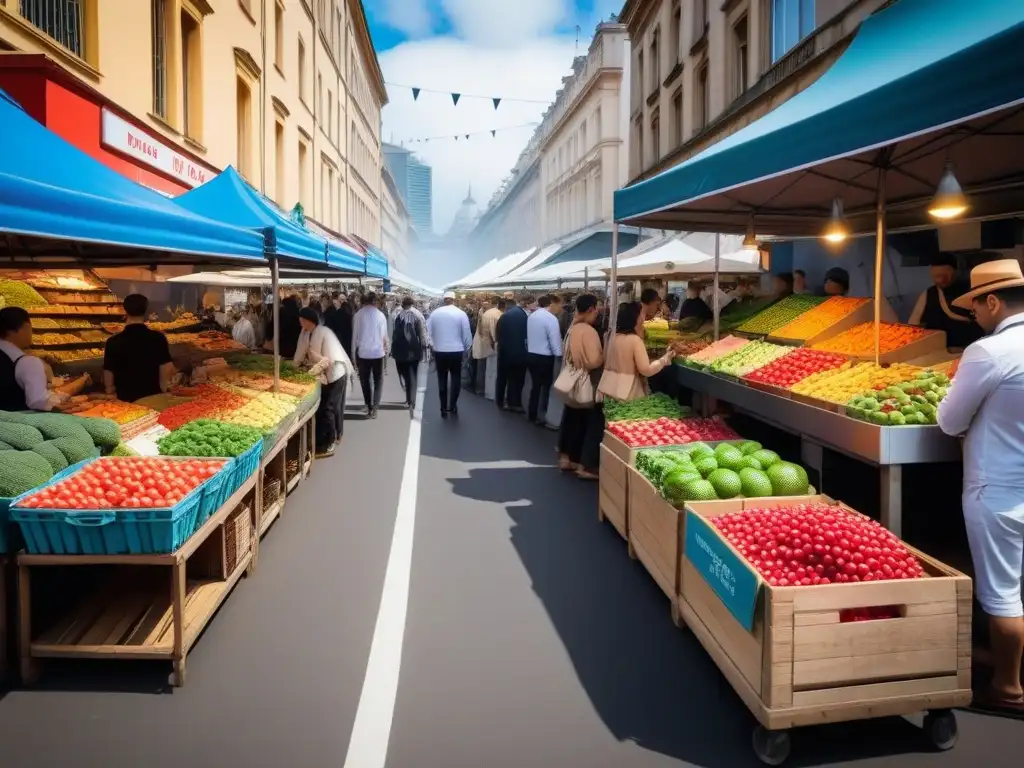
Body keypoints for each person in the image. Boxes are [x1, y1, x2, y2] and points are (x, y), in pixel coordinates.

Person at [937, 259, 1024, 714]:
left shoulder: (989, 351)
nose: (973, 315)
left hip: (999, 488)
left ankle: (1007, 689)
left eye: (974, 306)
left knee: (1002, 592)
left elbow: (950, 420)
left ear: (993, 301)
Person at [0, 307, 89, 411]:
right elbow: (39, 402)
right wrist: (62, 401)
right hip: (18, 422)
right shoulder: (28, 363)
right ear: (24, 328)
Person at [557, 294, 604, 480]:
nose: (598, 313)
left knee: (571, 418)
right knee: (588, 421)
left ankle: (566, 458)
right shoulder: (588, 331)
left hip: (571, 381)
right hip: (584, 383)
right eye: (597, 309)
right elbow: (593, 361)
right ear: (591, 309)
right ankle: (585, 465)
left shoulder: (572, 328)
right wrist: (604, 356)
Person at [295, 307, 353, 457]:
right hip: (325, 372)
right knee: (325, 407)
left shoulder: (323, 332)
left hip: (336, 372)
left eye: (302, 320)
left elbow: (328, 360)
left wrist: (312, 371)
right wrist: (294, 367)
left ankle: (330, 442)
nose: (300, 322)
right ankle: (327, 437)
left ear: (309, 320)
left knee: (329, 407)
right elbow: (300, 352)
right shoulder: (305, 332)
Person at [597, 301, 682, 401]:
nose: (643, 318)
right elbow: (646, 370)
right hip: (627, 395)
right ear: (635, 318)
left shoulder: (611, 338)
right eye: (641, 314)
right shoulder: (634, 340)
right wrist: (665, 359)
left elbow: (605, 360)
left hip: (608, 391)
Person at [103, 294, 176, 403]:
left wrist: (110, 391)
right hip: (153, 399)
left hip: (125, 401)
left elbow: (108, 373)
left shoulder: (113, 341)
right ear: (145, 310)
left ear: (125, 310)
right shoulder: (158, 338)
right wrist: (165, 389)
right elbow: (167, 369)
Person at [908, 254, 984, 349]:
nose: (940, 280)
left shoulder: (972, 290)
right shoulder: (929, 294)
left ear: (955, 272)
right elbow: (914, 324)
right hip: (937, 349)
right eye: (936, 276)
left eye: (944, 276)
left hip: (970, 346)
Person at [427, 291, 472, 418]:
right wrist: (467, 348)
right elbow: (466, 333)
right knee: (456, 377)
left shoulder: (435, 314)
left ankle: (443, 405)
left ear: (444, 299)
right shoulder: (461, 314)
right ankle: (452, 405)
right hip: (456, 350)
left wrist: (432, 344)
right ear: (454, 300)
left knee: (442, 378)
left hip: (440, 350)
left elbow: (427, 331)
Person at [526, 294, 563, 427]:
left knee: (535, 386)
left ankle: (532, 413)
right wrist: (559, 354)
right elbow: (555, 341)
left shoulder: (532, 316)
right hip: (545, 357)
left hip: (531, 354)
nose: (559, 308)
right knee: (545, 387)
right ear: (551, 304)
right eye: (559, 305)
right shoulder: (551, 319)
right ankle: (541, 415)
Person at [352, 292, 388, 418]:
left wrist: (353, 356)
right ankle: (375, 407)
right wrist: (386, 357)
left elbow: (354, 337)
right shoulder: (381, 315)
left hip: (363, 353)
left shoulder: (358, 315)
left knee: (365, 381)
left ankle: (368, 405)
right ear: (375, 302)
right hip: (378, 353)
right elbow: (385, 338)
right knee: (378, 380)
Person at [391, 296, 427, 410]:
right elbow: (422, 334)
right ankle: (412, 400)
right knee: (413, 375)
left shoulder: (397, 316)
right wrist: (425, 349)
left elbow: (394, 334)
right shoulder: (417, 316)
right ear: (412, 304)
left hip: (400, 351)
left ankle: (408, 398)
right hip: (413, 350)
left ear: (403, 304)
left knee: (404, 374)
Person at [495, 295, 530, 412]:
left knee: (502, 378)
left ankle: (499, 400)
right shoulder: (524, 316)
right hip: (520, 353)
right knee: (516, 379)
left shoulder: (503, 317)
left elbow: (498, 335)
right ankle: (514, 402)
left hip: (504, 352)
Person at [471, 298, 503, 394]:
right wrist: (494, 342)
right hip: (487, 344)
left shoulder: (483, 314)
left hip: (482, 344)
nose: (485, 305)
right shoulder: (492, 314)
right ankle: (482, 389)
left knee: (482, 367)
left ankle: (480, 388)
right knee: (485, 368)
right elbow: (490, 332)